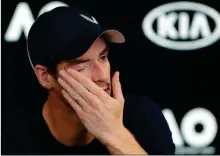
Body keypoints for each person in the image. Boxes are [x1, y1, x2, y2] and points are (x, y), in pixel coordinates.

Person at [2, 6, 175, 155]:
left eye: (103, 57)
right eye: (82, 65)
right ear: (45, 77)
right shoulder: (11, 139)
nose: (101, 76)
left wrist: (115, 135)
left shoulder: (142, 118)